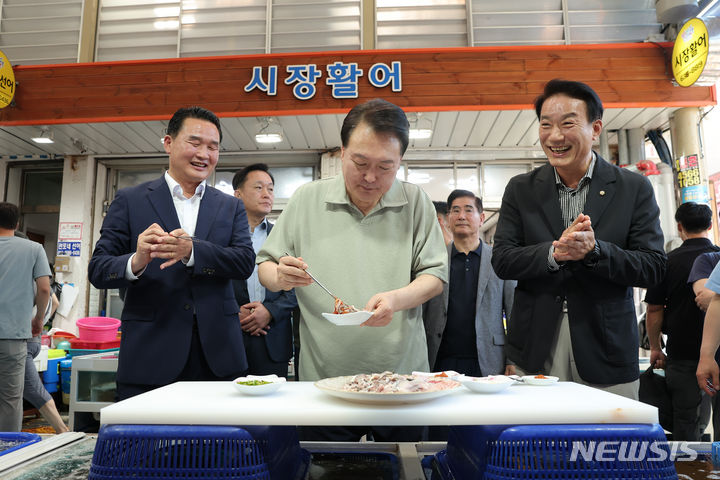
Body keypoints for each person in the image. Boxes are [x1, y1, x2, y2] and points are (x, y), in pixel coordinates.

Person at [256, 98, 447, 442]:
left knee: (406, 464)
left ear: (400, 161)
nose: (371, 177)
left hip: (401, 381)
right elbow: (266, 266)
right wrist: (281, 276)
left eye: (386, 167)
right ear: (342, 152)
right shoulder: (306, 200)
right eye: (360, 162)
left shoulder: (415, 202)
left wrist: (396, 299)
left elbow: (435, 277)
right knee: (327, 466)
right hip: (325, 380)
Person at [491, 79, 666, 400]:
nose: (555, 136)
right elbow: (502, 259)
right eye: (546, 125)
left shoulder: (633, 188)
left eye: (568, 123)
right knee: (538, 444)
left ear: (595, 128)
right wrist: (554, 253)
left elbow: (653, 267)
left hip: (607, 343)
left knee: (608, 445)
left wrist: (595, 251)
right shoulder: (521, 189)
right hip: (536, 343)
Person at [88, 106, 256, 400]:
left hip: (217, 356)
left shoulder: (229, 206)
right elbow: (98, 269)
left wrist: (193, 251)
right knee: (144, 444)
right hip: (149, 354)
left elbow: (244, 262)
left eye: (212, 147)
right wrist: (137, 260)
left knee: (217, 444)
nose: (204, 154)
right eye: (194, 142)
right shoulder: (131, 200)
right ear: (168, 143)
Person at [644, 202, 718, 440]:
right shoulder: (716, 258)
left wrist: (656, 347)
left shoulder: (667, 261)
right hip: (718, 352)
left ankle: (687, 472)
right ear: (709, 225)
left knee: (685, 421)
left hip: (682, 351)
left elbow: (654, 310)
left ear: (679, 227)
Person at [424, 190, 516, 376]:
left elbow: (514, 312)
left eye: (468, 210)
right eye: (455, 211)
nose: (461, 216)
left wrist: (512, 360)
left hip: (488, 359)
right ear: (448, 219)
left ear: (481, 218)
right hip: (440, 359)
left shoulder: (500, 261)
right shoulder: (434, 261)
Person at [231, 163, 297, 378]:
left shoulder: (283, 238)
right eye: (259, 188)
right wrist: (233, 311)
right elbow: (209, 284)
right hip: (230, 336)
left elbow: (298, 288)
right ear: (238, 195)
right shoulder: (221, 237)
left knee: (273, 409)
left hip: (272, 337)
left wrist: (270, 311)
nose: (267, 194)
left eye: (270, 188)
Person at [0, 202, 51, 431]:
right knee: (11, 398)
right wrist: (39, 319)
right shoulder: (33, 249)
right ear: (17, 223)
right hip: (14, 336)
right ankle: (7, 453)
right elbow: (44, 289)